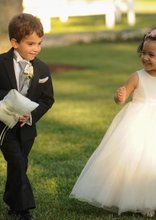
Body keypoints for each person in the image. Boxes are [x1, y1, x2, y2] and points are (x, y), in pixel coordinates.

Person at [70, 27, 156, 217]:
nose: (145, 58)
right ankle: (142, 201)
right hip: (138, 124)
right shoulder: (137, 76)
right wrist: (120, 96)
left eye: (151, 54)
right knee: (139, 160)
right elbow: (123, 97)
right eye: (143, 53)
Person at [0, 13, 54, 220]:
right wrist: (9, 99)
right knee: (17, 162)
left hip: (26, 129)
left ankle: (13, 203)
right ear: (15, 42)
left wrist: (29, 116)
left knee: (19, 165)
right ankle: (24, 210)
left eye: (39, 43)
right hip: (3, 127)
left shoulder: (42, 68)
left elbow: (48, 100)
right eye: (30, 43)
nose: (36, 48)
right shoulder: (1, 63)